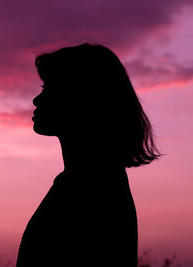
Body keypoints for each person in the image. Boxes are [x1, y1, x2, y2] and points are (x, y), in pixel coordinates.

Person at [16, 43, 161, 267]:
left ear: (80, 97)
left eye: (49, 88)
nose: (37, 99)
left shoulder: (91, 187)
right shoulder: (89, 180)